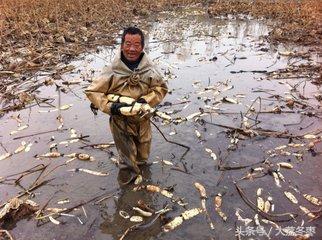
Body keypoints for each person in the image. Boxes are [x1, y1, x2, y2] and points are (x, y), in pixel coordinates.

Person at [85, 27, 168, 182]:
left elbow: (161, 88)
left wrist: (146, 101)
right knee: (127, 161)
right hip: (120, 121)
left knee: (143, 156)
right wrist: (112, 107)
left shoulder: (149, 70)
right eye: (128, 44)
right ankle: (128, 191)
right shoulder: (112, 71)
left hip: (143, 119)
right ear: (122, 45)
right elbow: (92, 91)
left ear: (142, 47)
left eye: (136, 45)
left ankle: (143, 182)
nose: (131, 49)